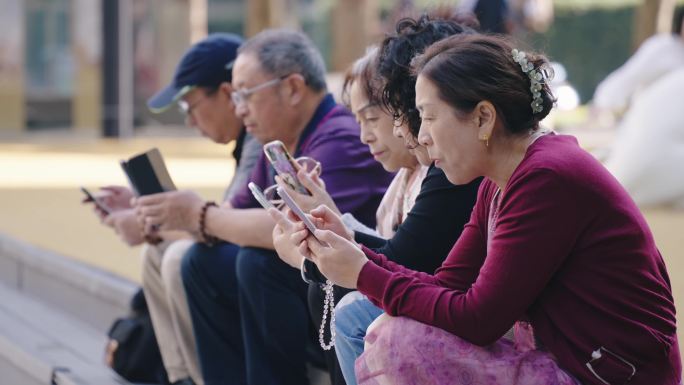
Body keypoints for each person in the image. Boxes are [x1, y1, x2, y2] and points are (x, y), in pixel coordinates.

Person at [273, 34, 681, 385]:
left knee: (399, 339)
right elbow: (448, 281)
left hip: (611, 375)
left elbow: (478, 318)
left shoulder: (546, 179)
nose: (422, 136)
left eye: (429, 117)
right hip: (570, 358)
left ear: (484, 118)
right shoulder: (500, 179)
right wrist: (354, 253)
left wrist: (361, 272)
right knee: (363, 315)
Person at [135, 29, 393, 385]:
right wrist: (183, 217)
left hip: (350, 293)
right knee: (202, 261)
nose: (239, 109)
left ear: (292, 88)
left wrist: (200, 215)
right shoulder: (277, 144)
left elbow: (285, 229)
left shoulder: (341, 138)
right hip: (312, 289)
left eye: (244, 94)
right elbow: (235, 215)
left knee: (255, 262)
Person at [275, 36, 480, 385]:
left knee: (351, 305)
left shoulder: (456, 174)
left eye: (414, 114)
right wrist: (332, 231)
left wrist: (314, 258)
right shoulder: (435, 174)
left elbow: (415, 268)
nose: (414, 131)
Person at [87, 33, 262, 385]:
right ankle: (181, 377)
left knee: (178, 255)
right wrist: (147, 210)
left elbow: (224, 226)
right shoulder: (248, 143)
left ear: (227, 94)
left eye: (189, 105)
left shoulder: (261, 140)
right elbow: (226, 219)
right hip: (256, 273)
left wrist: (148, 223)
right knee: (163, 254)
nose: (189, 121)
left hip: (278, 283)